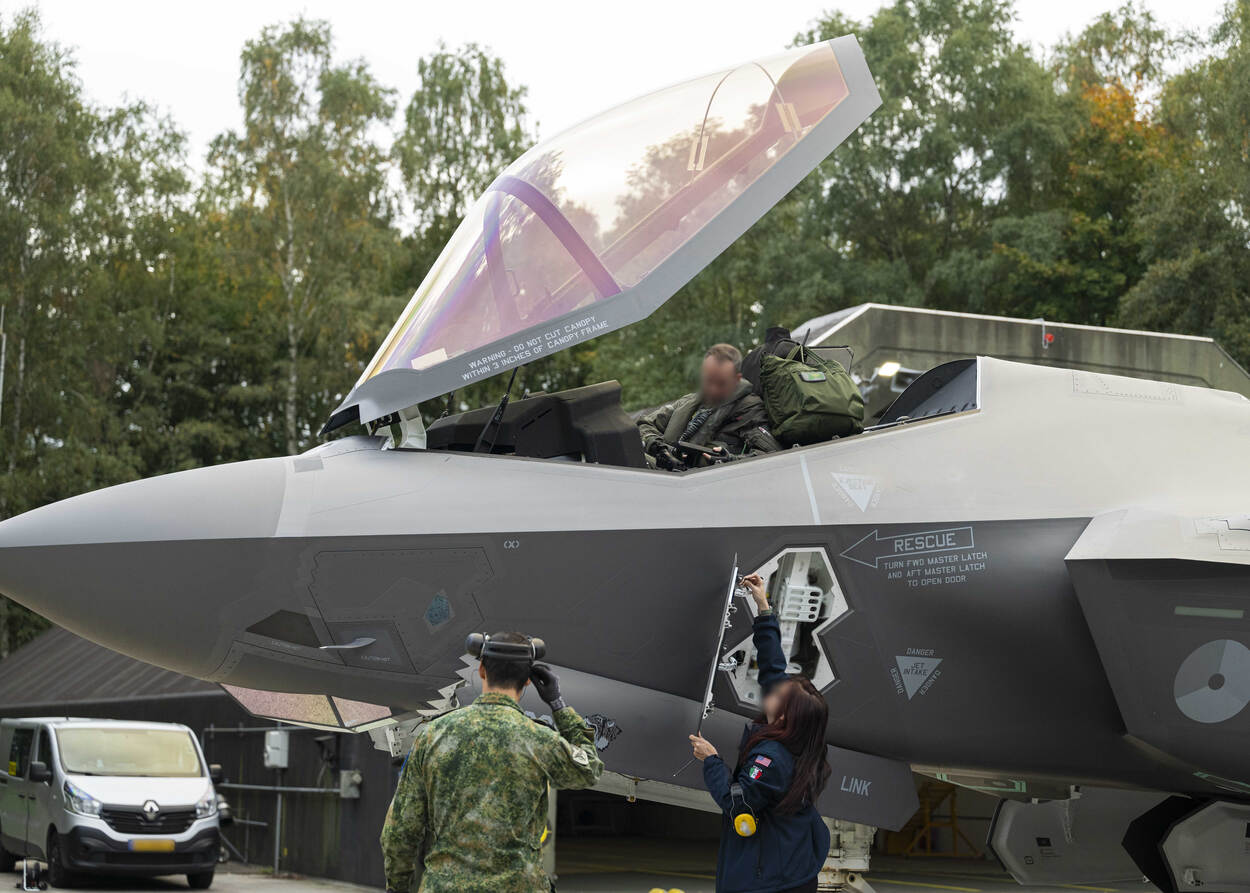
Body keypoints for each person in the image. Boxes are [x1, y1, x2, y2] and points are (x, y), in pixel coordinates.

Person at [381, 632, 604, 893]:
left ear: (482, 671)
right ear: (528, 680)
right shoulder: (540, 739)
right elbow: (589, 770)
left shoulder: (433, 735)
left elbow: (400, 831)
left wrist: (397, 888)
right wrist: (558, 704)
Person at [689, 574, 832, 893]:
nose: (770, 692)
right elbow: (772, 668)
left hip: (769, 882)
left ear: (784, 715)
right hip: (793, 868)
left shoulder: (772, 759)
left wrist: (711, 760)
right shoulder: (804, 740)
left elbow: (736, 803)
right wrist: (763, 607)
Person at [636, 343, 780, 470]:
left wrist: (731, 460)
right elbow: (644, 424)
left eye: (721, 383)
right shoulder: (689, 402)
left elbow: (771, 455)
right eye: (709, 380)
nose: (713, 389)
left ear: (736, 379)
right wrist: (658, 448)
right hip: (667, 474)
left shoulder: (749, 410)